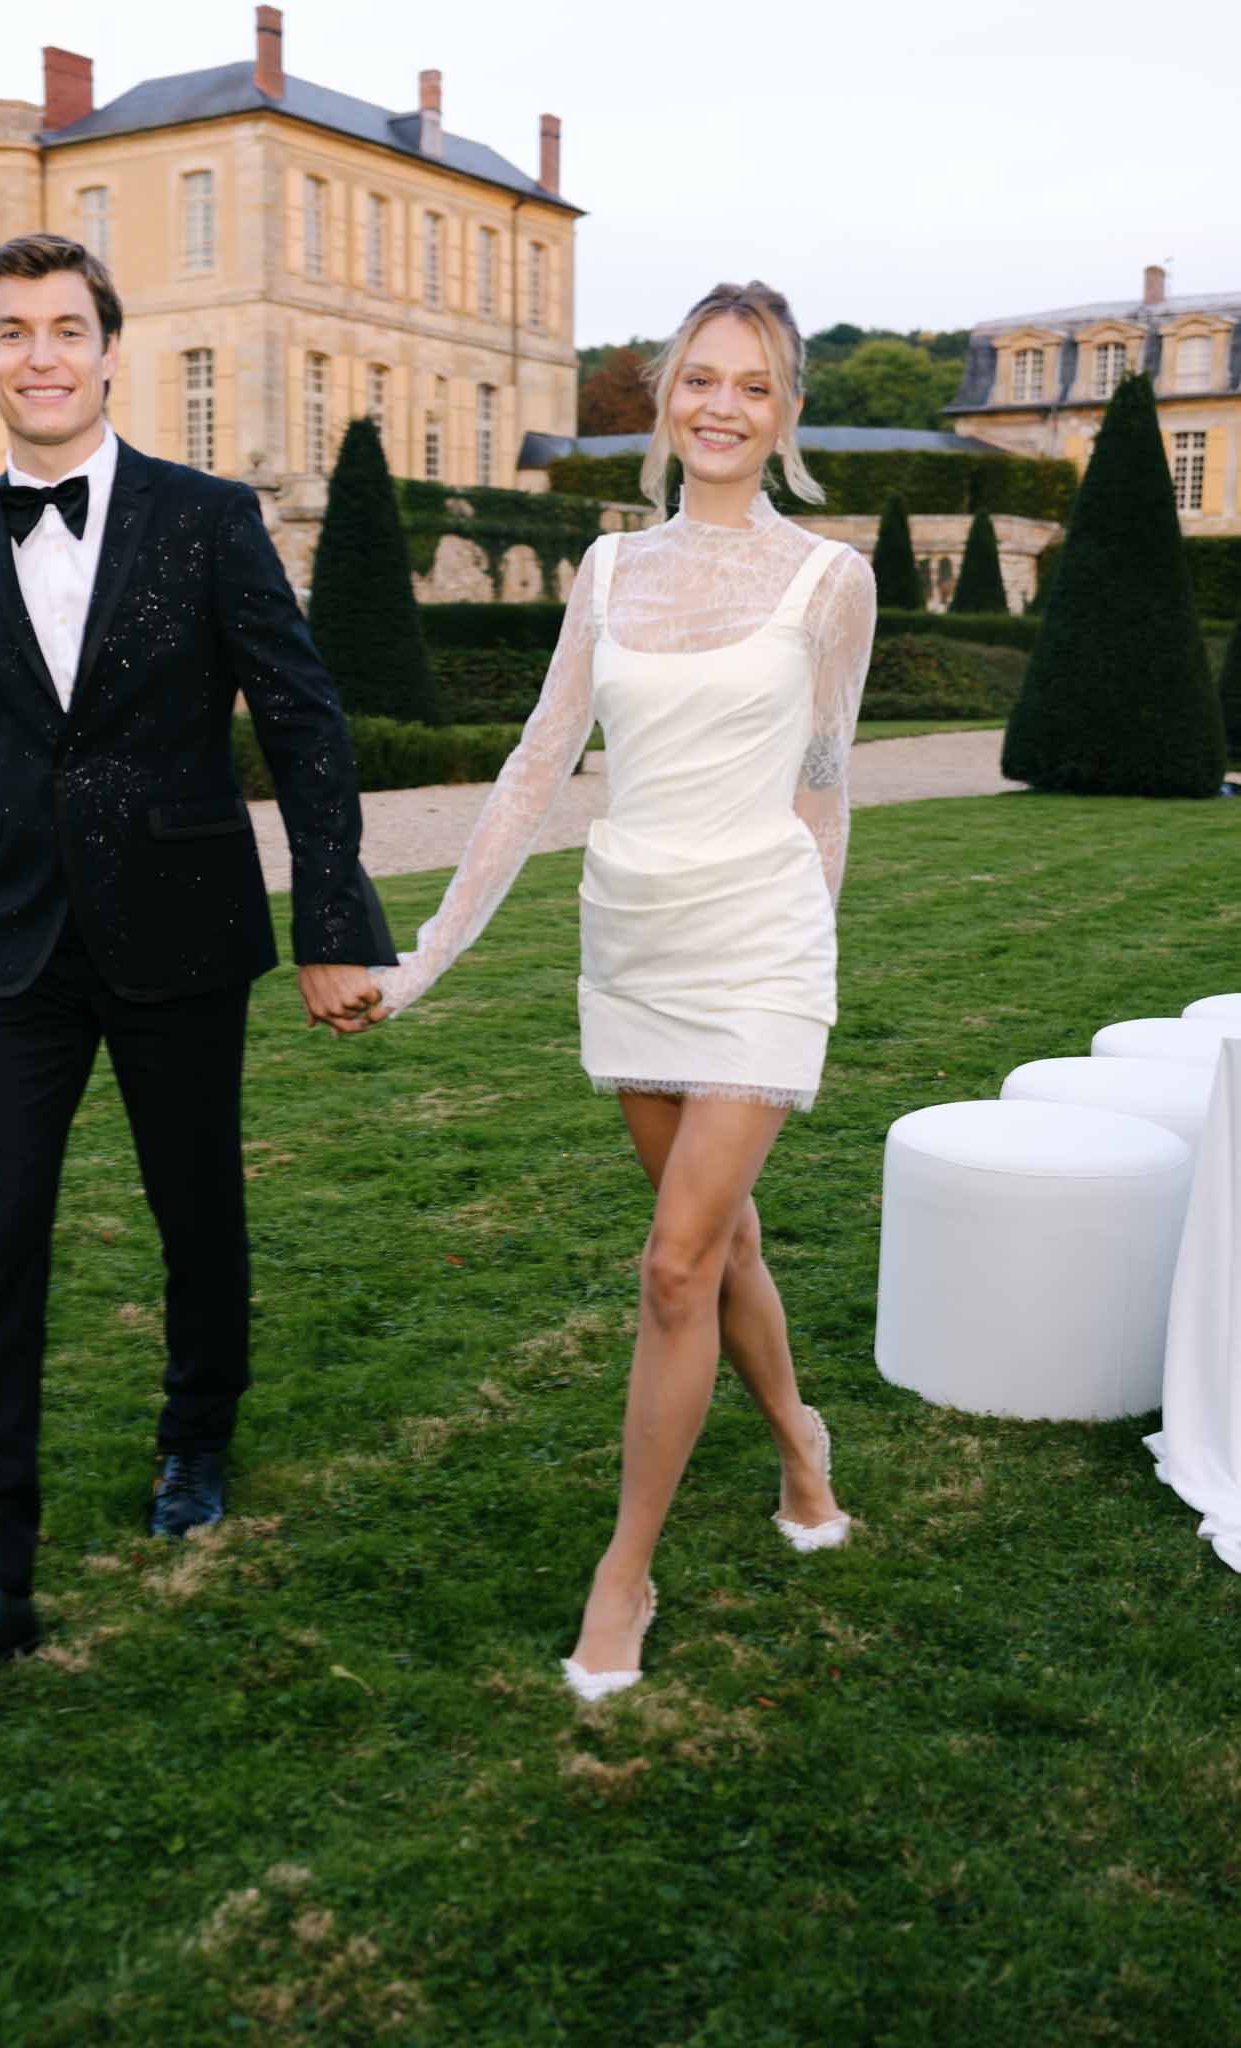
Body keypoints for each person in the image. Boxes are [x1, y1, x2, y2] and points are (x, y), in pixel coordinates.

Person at [0, 233, 392, 1699]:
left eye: (66, 327)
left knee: (196, 1205)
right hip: (2, 946)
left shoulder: (204, 516)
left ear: (110, 351)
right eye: (12, 331)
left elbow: (303, 721)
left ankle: (195, 1434)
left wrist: (331, 927)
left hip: (179, 924)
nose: (40, 353)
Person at [374, 281, 876, 1702]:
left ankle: (623, 1576)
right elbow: (536, 768)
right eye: (698, 379)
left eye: (754, 385)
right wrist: (424, 961)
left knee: (668, 1266)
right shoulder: (607, 575)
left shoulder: (828, 580)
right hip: (633, 940)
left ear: (784, 416)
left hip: (759, 943)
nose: (721, 406)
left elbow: (825, 784)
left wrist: (809, 948)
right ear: (664, 399)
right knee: (719, 1249)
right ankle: (799, 1445)